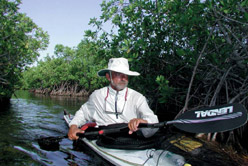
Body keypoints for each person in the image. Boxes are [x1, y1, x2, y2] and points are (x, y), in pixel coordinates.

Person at [68, 57, 158, 140]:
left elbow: (153, 122)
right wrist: (73, 126)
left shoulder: (138, 97)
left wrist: (142, 121)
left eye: (125, 74)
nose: (123, 78)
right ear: (108, 77)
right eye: (118, 74)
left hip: (130, 140)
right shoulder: (97, 95)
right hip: (103, 139)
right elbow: (83, 113)